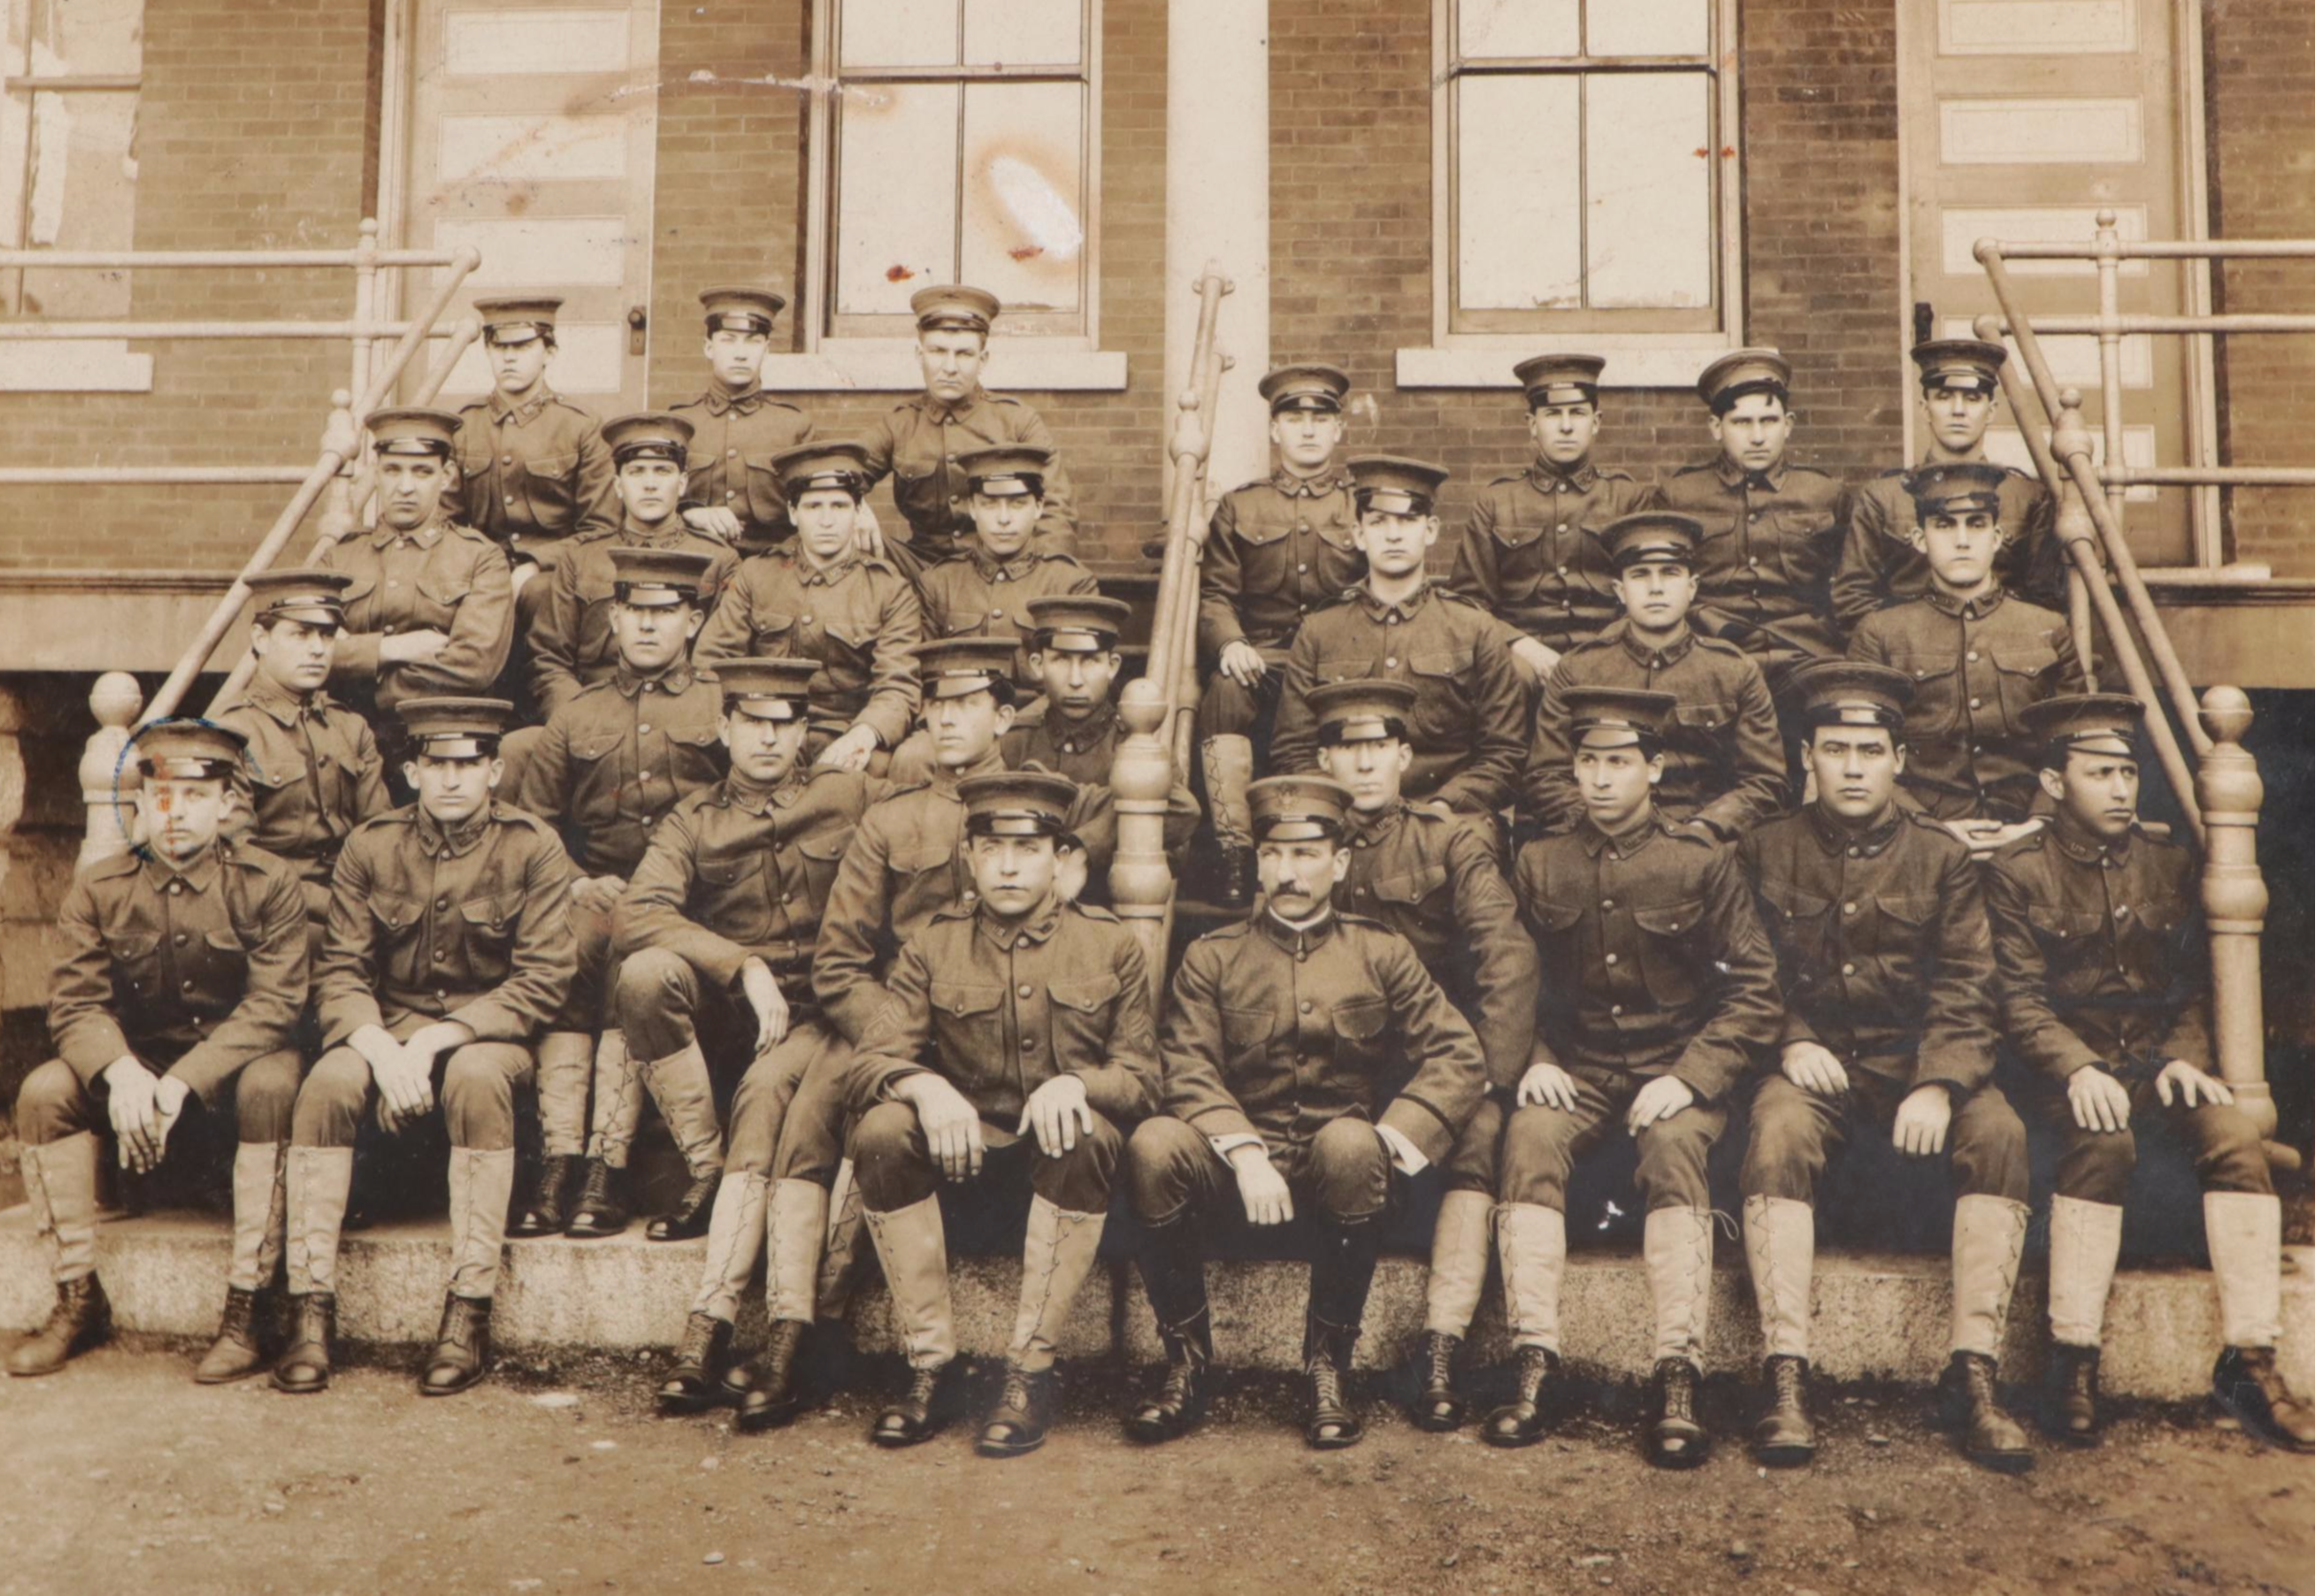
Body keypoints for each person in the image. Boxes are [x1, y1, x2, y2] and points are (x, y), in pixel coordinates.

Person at [1444, 688, 1780, 1464]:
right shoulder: (1538, 859)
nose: (1599, 779)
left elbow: (1756, 987)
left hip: (1675, 1068)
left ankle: (1677, 1369)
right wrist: (1533, 1059)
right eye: (1587, 761)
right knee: (1527, 1138)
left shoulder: (1702, 860)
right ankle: (1534, 1358)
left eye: (1619, 762)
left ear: (1653, 768)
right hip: (1579, 1065)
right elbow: (1506, 974)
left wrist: (1693, 1075)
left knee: (1671, 1149)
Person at [1985, 693, 2313, 1451]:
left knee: (2233, 1134)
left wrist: (2181, 1057)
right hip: (2061, 1073)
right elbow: (2016, 999)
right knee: (2102, 1142)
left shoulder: (2167, 862)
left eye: (2128, 771)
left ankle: (2250, 1361)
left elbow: (2197, 985)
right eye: (2098, 772)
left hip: (2155, 1065)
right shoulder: (2016, 871)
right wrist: (2074, 1065)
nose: (2121, 788)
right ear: (2053, 780)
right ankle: (2070, 1359)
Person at [1122, 776, 1487, 1450]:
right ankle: (1185, 1363)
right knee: (1152, 1143)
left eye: (1306, 855)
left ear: (1339, 862)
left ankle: (1327, 1367)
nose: (1286, 873)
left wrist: (1387, 1141)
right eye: (1273, 855)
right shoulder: (1213, 956)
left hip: (1340, 1182)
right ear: (1258, 860)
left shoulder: (1380, 951)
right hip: (1235, 1178)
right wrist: (1243, 1148)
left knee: (1349, 1144)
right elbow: (1187, 1065)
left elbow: (1459, 1056)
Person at [1738, 662, 2034, 1473]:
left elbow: (1971, 982)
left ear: (1900, 759)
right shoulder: (1764, 849)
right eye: (1835, 749)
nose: (1854, 766)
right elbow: (1743, 970)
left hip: (1915, 1063)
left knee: (1999, 1130)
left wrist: (1938, 1081)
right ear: (1807, 758)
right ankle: (1784, 1373)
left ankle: (1973, 1371)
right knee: (1775, 1130)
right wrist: (1790, 1039)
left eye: (1871, 748)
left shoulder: (1941, 857)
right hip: (1813, 1062)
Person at [842, 770, 1158, 1453]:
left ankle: (1029, 1370)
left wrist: (1076, 1084)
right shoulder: (933, 944)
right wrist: (924, 1087)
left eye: (1027, 846)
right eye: (990, 847)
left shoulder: (1109, 944)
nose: (1008, 865)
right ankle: (930, 1364)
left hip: (1065, 1183)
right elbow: (868, 1062)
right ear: (968, 856)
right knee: (882, 1128)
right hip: (963, 1176)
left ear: (1060, 857)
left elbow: (1140, 1078)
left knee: (1086, 1130)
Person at [274, 697, 576, 1398]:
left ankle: (467, 1311)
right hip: (386, 1026)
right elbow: (342, 971)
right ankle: (309, 1309)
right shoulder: (370, 845)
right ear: (410, 770)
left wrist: (442, 1037)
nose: (450, 779)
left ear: (494, 770)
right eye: (435, 763)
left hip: (487, 1035)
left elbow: (542, 980)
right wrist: (379, 1047)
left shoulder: (533, 846)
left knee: (471, 1075)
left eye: (467, 764)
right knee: (327, 1082)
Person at [616, 659, 888, 1427]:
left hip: (842, 1008)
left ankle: (753, 1333)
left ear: (807, 732)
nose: (768, 738)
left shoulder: (849, 794)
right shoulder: (693, 819)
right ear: (724, 727)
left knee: (777, 1104)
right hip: (752, 1017)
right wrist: (742, 964)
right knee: (646, 974)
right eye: (752, 722)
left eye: (785, 723)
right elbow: (638, 914)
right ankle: (708, 1212)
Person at [7, 721, 308, 1384]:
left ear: (227, 803)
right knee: (45, 1092)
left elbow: (275, 1007)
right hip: (134, 1086)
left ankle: (247, 1307)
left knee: (275, 1080)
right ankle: (76, 1296)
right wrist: (121, 1073)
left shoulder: (267, 882)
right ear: (140, 804)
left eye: (195, 796)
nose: (175, 814)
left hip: (225, 1082)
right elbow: (76, 1003)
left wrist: (181, 1081)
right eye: (161, 796)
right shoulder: (100, 886)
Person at [1301, 679, 1540, 1435]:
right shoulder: (1299, 843)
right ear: (1321, 758)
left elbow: (1505, 958)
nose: (1363, 764)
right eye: (1345, 748)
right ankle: (1327, 1359)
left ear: (1405, 754)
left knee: (1475, 1136)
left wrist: (1485, 1077)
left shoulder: (1448, 838)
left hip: (1427, 1062)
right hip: (1328, 1067)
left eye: (1378, 747)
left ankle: (1438, 1348)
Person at [510, 548, 731, 1240]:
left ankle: (606, 1165)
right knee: (570, 944)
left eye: (664, 612)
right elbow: (535, 823)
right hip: (598, 894)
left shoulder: (722, 704)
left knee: (629, 955)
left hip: (686, 904)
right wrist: (575, 877)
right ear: (613, 616)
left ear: (692, 620)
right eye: (633, 610)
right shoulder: (577, 713)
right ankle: (559, 1162)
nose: (646, 625)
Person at [1270, 456, 1528, 822]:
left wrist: (1446, 805)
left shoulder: (1474, 628)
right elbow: (1293, 749)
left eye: (1408, 520)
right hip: (1348, 821)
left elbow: (1504, 753)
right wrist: (1338, 810)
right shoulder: (1319, 631)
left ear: (1431, 529)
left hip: (1448, 821)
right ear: (1359, 534)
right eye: (1378, 521)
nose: (1393, 534)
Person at [1195, 363, 1365, 901]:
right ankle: (1235, 853)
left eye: (1321, 417)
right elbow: (1216, 593)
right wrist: (1231, 642)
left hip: (1343, 657)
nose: (1308, 429)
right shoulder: (1241, 505)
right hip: (1264, 657)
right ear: (1275, 430)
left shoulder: (1361, 504)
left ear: (1339, 429)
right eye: (1294, 418)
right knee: (1223, 692)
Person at [1849, 461, 2081, 848]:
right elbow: (1865, 751)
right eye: (1944, 525)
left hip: (2033, 835)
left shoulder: (2048, 627)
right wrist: (1926, 827)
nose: (1962, 540)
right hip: (1917, 837)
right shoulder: (1882, 633)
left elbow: (2075, 741)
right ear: (1920, 539)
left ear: (1997, 537)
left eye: (1976, 524)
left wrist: (2039, 820)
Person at [1524, 511, 1786, 841]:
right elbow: (1545, 777)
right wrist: (1605, 824)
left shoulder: (1734, 670)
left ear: (1692, 587)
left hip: (1701, 841)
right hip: (1602, 837)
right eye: (1640, 575)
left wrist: (1705, 827)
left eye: (1670, 573)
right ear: (1620, 590)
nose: (1656, 588)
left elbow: (1765, 782)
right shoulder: (1579, 669)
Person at [693, 440, 924, 773]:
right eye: (814, 507)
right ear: (792, 512)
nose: (827, 520)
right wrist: (745, 728)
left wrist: (865, 733)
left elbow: (898, 685)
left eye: (839, 506)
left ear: (858, 512)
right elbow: (712, 663)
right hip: (763, 729)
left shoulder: (889, 589)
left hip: (842, 735)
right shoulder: (757, 575)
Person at [210, 569, 390, 956]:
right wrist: (340, 908)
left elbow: (381, 837)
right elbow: (239, 859)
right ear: (261, 639)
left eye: (326, 635)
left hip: (352, 907)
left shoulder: (351, 727)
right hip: (272, 914)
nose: (318, 649)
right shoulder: (233, 732)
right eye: (301, 634)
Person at [1449, 353, 1659, 681]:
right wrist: (1522, 646)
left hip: (1612, 655)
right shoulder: (1497, 502)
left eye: (1577, 412)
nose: (1565, 426)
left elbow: (1646, 590)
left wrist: (1601, 654)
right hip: (1524, 662)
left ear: (1596, 422)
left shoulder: (1627, 499)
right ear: (1533, 424)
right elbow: (1468, 604)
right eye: (1552, 414)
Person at [1833, 339, 2062, 631]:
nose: (1958, 410)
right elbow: (1851, 600)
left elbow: (2045, 602)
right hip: (1909, 657)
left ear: (1990, 411)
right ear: (1925, 408)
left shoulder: (2027, 497)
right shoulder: (1884, 497)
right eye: (1943, 396)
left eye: (1972, 398)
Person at [1658, 349, 1850, 696]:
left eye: (1769, 421)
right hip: (1710, 653)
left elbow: (1850, 586)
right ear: (1717, 427)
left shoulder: (1824, 493)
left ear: (1788, 424)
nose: (1758, 436)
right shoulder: (1680, 495)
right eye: (1742, 422)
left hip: (1805, 655)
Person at [527, 412, 738, 723]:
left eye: (662, 471)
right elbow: (548, 659)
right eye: (636, 471)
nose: (650, 484)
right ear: (617, 485)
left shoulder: (718, 560)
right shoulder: (582, 558)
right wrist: (577, 719)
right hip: (594, 716)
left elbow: (725, 662)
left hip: (684, 720)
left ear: (682, 484)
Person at [859, 284, 1078, 575]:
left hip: (996, 570)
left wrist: (1043, 579)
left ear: (982, 360)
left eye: (963, 354)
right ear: (919, 354)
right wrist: (854, 505)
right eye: (938, 351)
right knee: (839, 531)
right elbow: (837, 470)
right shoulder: (900, 424)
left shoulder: (1016, 421)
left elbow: (1056, 510)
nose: (949, 367)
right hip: (921, 569)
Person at [321, 408, 516, 719]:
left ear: (447, 476)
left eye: (422, 471)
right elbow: (305, 654)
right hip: (345, 738)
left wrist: (359, 668)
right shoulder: (339, 558)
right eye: (393, 470)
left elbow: (474, 665)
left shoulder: (481, 558)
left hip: (436, 741)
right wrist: (392, 648)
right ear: (376, 473)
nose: (406, 487)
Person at [454, 295, 618, 639]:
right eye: (499, 347)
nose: (509, 357)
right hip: (478, 570)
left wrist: (535, 564)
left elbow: (601, 528)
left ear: (550, 352)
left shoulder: (580, 426)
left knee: (538, 596)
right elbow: (447, 523)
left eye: (524, 346)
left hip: (553, 573)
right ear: (487, 351)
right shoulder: (463, 426)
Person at [1002, 595, 1201, 862]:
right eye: (1061, 659)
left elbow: (1181, 813)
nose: (1075, 680)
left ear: (1112, 666)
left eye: (1090, 660)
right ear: (1038, 665)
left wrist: (1085, 845)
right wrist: (1115, 805)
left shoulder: (1135, 742)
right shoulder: (1015, 740)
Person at [913, 444, 1102, 690]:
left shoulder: (1071, 584)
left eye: (1017, 503)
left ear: (1039, 507)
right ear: (972, 508)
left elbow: (1080, 685)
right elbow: (924, 679)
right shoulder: (939, 583)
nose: (1003, 519)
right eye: (990, 504)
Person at [671, 285, 816, 555]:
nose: (741, 353)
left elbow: (816, 507)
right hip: (695, 564)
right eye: (728, 339)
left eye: (753, 341)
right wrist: (689, 513)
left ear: (767, 350)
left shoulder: (794, 426)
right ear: (708, 347)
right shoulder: (680, 424)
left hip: (774, 569)